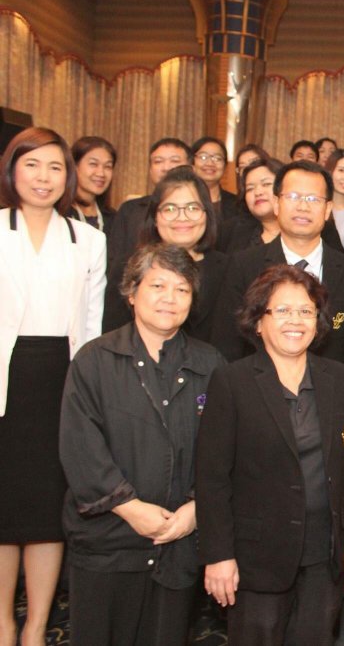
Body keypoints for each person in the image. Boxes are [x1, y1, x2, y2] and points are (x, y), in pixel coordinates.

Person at [198, 264, 344, 644]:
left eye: (305, 311)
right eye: (282, 310)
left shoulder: (339, 378)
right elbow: (212, 478)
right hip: (255, 557)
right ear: (258, 322)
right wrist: (218, 555)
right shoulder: (232, 381)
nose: (295, 320)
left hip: (325, 552)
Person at [60, 243, 223, 646]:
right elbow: (80, 447)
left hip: (178, 543)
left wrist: (196, 509)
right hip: (108, 541)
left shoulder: (211, 365)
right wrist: (130, 508)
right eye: (158, 286)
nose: (170, 298)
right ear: (132, 292)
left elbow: (224, 452)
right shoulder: (94, 360)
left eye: (182, 289)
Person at [0, 127, 106, 646]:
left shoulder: (89, 240)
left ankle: (37, 626)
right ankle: (2, 623)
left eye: (55, 167)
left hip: (60, 382)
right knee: (3, 507)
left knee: (47, 510)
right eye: (32, 164)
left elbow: (91, 326)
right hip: (5, 380)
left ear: (68, 177)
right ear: (12, 170)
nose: (43, 177)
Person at [213, 160, 344, 372]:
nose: (303, 207)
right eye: (293, 197)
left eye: (313, 199)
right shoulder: (243, 266)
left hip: (331, 389)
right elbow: (227, 345)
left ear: (327, 209)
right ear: (277, 204)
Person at [103, 166, 226, 344]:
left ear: (207, 215)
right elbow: (113, 338)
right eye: (170, 209)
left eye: (193, 208)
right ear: (155, 217)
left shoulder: (228, 269)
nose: (182, 217)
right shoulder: (128, 266)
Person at [107, 138, 192, 268]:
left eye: (174, 161)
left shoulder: (198, 210)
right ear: (150, 170)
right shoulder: (130, 210)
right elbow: (115, 258)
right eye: (158, 161)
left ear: (190, 167)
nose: (166, 168)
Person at [219, 158, 282, 253]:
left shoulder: (302, 230)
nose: (257, 192)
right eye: (250, 188)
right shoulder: (230, 233)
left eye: (266, 184)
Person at [68, 136, 116, 232]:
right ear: (74, 166)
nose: (101, 173)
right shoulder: (59, 214)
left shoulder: (114, 218)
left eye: (108, 166)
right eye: (93, 164)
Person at [192, 137, 239, 222]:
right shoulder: (180, 199)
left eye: (217, 158)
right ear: (192, 163)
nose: (210, 163)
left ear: (225, 166)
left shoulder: (238, 205)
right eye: (203, 157)